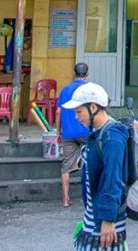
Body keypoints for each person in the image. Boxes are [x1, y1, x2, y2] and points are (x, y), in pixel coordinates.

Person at [61, 82, 129, 251]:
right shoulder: (97, 134)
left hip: (105, 224)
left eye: (79, 112)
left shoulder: (112, 136)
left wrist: (108, 219)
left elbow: (113, 178)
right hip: (94, 218)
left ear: (93, 107)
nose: (77, 117)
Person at [57, 62, 90, 207]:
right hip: (85, 131)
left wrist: (58, 131)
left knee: (66, 166)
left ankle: (65, 199)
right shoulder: (88, 90)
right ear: (87, 74)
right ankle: (90, 198)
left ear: (73, 73)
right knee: (91, 162)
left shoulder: (65, 90)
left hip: (68, 133)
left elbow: (58, 112)